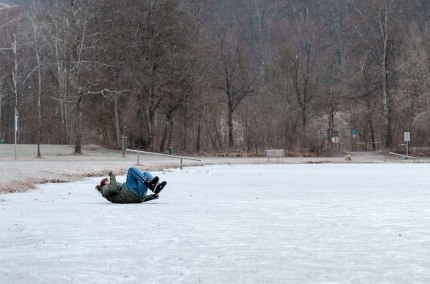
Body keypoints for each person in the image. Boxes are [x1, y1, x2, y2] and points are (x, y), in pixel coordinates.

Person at [95, 167, 167, 204]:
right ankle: (149, 184)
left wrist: (151, 197)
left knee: (145, 173)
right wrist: (112, 176)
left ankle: (155, 187)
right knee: (131, 169)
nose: (111, 181)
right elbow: (113, 189)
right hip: (128, 194)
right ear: (105, 182)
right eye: (109, 180)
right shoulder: (104, 189)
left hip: (138, 197)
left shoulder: (108, 188)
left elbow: (136, 199)